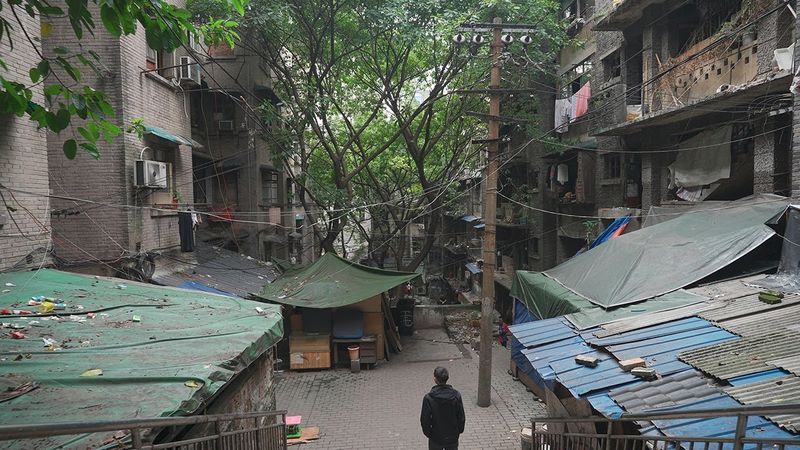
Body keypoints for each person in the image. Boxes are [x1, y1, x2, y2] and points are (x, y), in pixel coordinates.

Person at [420, 366, 466, 450]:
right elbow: (461, 416)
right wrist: (459, 430)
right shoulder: (456, 395)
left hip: (436, 437)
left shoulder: (429, 398)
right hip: (452, 436)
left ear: (435, 379)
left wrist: (428, 433)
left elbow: (425, 419)